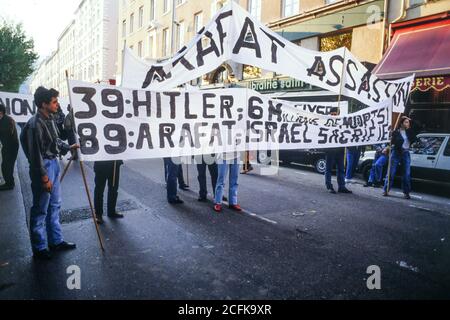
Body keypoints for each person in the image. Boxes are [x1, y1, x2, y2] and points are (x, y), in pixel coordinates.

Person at [20, 87, 79, 260]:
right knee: (40, 208)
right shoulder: (34, 124)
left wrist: (69, 147)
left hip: (53, 163)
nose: (57, 104)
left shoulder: (50, 119)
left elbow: (55, 141)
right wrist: (44, 177)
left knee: (55, 204)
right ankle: (39, 248)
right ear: (43, 104)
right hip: (43, 167)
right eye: (54, 102)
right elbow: (35, 155)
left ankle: (56, 241)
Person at [383, 116, 419, 199]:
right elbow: (390, 142)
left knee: (406, 174)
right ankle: (386, 190)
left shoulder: (410, 131)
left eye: (408, 122)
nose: (408, 123)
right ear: (401, 123)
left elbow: (418, 125)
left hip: (406, 153)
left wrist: (410, 119)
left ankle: (406, 192)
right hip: (396, 153)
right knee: (391, 172)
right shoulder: (396, 132)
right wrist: (388, 143)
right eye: (406, 122)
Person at [324, 107, 352, 194]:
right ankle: (329, 187)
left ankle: (342, 187)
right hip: (330, 150)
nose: (333, 115)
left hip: (340, 150)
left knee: (341, 169)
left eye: (335, 114)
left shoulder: (342, 124)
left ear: (338, 114)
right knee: (328, 169)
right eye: (331, 114)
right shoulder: (326, 124)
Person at [0, 103, 19, 191]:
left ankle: (9, 184)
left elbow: (5, 135)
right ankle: (10, 182)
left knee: (6, 166)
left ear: (1, 112)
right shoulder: (6, 119)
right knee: (7, 165)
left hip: (10, 147)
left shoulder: (5, 122)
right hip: (10, 146)